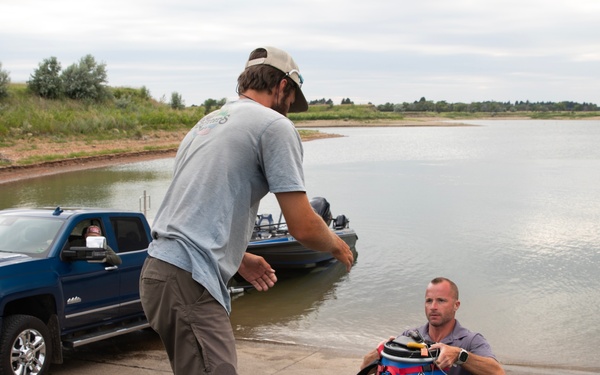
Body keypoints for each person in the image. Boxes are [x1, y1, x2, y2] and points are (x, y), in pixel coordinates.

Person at [139, 46, 354, 375]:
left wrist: (239, 256)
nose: (289, 112)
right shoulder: (273, 126)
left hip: (160, 271)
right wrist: (339, 245)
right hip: (188, 277)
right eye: (291, 100)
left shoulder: (208, 123)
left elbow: (193, 211)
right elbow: (302, 225)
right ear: (282, 86)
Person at [360, 277, 504, 375]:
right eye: (429, 301)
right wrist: (383, 351)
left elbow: (497, 372)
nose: (433, 307)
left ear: (456, 305)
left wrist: (459, 355)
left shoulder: (470, 340)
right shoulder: (409, 336)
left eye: (441, 301)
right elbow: (364, 368)